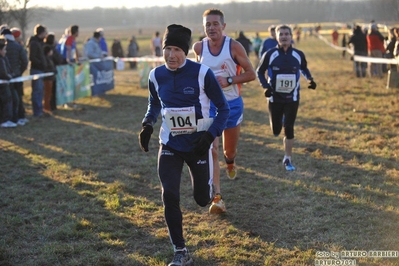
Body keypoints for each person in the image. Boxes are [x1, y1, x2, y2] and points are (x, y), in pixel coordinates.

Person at [138, 24, 229, 266]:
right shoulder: (155, 75)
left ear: (186, 51)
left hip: (199, 144)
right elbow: (154, 103)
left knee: (201, 199)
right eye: (167, 49)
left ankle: (210, 191)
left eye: (177, 49)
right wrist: (148, 123)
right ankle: (180, 250)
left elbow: (224, 109)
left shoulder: (202, 74)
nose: (171, 55)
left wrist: (209, 137)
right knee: (169, 194)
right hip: (170, 144)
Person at [192, 8, 256, 214]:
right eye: (207, 25)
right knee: (212, 149)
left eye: (215, 24)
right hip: (210, 107)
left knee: (229, 150)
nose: (212, 28)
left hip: (232, 104)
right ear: (204, 28)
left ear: (223, 26)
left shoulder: (234, 46)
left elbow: (251, 74)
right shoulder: (199, 47)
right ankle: (217, 197)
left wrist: (229, 80)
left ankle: (230, 162)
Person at [256, 24, 316, 171]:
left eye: (286, 34)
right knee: (276, 130)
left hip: (292, 98)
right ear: (276, 37)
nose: (284, 37)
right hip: (274, 98)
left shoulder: (298, 54)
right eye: (281, 34)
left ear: (291, 36)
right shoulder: (270, 54)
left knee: (289, 127)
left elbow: (304, 68)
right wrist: (266, 87)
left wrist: (310, 79)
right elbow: (259, 71)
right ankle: (278, 125)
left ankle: (287, 158)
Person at [2, 28, 28, 126]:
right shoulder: (18, 46)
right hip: (16, 76)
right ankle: (18, 117)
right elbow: (25, 61)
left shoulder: (5, 46)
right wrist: (19, 72)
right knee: (17, 98)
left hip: (5, 76)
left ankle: (11, 118)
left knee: (9, 99)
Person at [27, 24, 48, 117]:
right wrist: (41, 64)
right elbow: (32, 57)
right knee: (37, 91)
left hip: (40, 69)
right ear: (42, 33)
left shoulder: (40, 42)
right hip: (36, 69)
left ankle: (40, 109)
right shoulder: (34, 43)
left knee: (40, 91)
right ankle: (37, 111)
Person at [0, 38, 17, 128]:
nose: (6, 52)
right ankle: (5, 120)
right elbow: (3, 73)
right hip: (3, 85)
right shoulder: (1, 60)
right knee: (6, 101)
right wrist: (10, 77)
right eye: (4, 50)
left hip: (3, 84)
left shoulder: (3, 59)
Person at [44, 32, 63, 111]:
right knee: (51, 91)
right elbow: (58, 59)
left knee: (49, 91)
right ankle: (51, 106)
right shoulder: (51, 49)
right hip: (50, 72)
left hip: (50, 71)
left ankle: (50, 106)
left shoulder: (45, 47)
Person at [42, 45, 56, 114]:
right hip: (48, 79)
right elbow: (48, 68)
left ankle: (48, 107)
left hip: (50, 78)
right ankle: (46, 107)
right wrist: (53, 70)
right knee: (47, 94)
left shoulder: (49, 58)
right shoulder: (46, 59)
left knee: (49, 93)